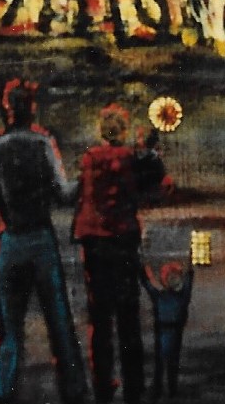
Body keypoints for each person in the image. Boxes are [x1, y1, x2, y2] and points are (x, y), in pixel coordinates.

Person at [0, 77, 87, 404]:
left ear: (7, 109)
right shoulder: (43, 143)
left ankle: (2, 393)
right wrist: (88, 179)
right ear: (31, 108)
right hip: (41, 241)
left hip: (10, 243)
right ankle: (74, 391)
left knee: (10, 330)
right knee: (60, 325)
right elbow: (63, 194)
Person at [72, 103, 169, 404]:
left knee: (99, 317)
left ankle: (102, 384)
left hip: (93, 242)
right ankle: (134, 387)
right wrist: (147, 148)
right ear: (124, 130)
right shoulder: (130, 157)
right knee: (128, 317)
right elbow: (155, 175)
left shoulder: (89, 158)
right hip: (123, 240)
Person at [140, 255, 194, 400]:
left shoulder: (160, 296)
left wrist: (144, 269)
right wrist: (190, 267)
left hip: (162, 330)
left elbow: (147, 284)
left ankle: (159, 389)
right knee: (172, 362)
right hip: (176, 330)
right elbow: (189, 280)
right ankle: (172, 389)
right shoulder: (183, 296)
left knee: (160, 363)